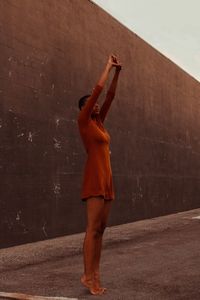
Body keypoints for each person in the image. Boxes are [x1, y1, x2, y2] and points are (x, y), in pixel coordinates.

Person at [77, 54, 122, 295]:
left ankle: (95, 274)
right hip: (94, 179)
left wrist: (118, 72)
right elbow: (98, 91)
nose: (95, 105)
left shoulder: (99, 123)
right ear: (84, 108)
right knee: (92, 228)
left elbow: (110, 96)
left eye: (95, 104)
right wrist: (107, 66)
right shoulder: (84, 121)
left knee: (101, 230)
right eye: (91, 103)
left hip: (107, 181)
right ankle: (87, 275)